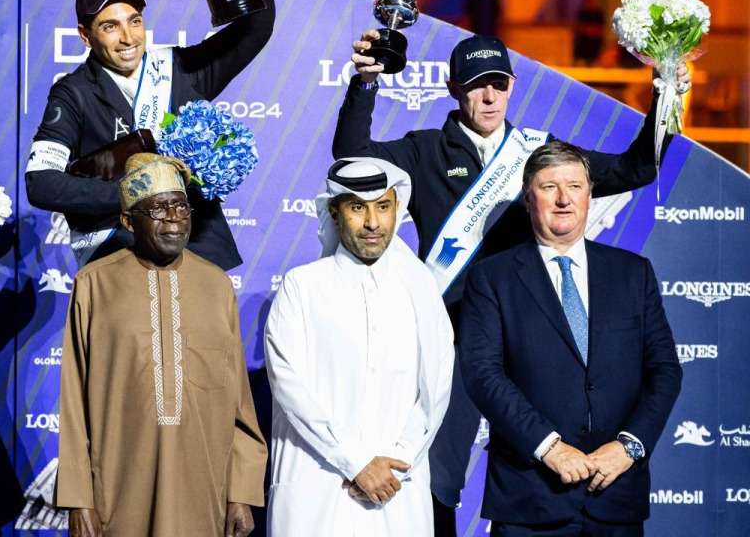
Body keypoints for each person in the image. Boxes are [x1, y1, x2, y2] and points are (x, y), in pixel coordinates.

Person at [332, 31, 690, 534]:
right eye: (477, 85)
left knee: (549, 462)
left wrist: (666, 96)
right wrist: (365, 83)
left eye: (498, 84)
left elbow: (639, 166)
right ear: (454, 87)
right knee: (439, 476)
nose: (489, 97)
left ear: (513, 86)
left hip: (536, 334)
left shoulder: (541, 156)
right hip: (456, 338)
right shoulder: (426, 149)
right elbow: (353, 161)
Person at [26, 0, 274, 272]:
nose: (128, 38)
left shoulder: (179, 67)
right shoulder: (72, 92)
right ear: (86, 35)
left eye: (135, 21)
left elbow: (255, 29)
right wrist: (140, 192)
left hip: (198, 255)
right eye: (110, 26)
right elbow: (42, 184)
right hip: (124, 258)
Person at [458, 141, 681, 535]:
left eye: (575, 186)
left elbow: (664, 370)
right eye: (549, 188)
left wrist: (628, 447)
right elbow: (482, 374)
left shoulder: (633, 273)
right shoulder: (491, 279)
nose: (564, 199)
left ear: (590, 196)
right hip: (529, 499)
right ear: (529, 200)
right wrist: (549, 447)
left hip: (615, 496)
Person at [55, 153, 267, 537]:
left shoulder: (216, 284)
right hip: (118, 492)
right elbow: (73, 402)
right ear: (127, 221)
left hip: (205, 490)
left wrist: (242, 492)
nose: (174, 219)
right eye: (158, 209)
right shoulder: (94, 284)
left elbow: (240, 404)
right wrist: (78, 498)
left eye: (181, 207)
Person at [265, 158, 454, 536]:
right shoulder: (301, 286)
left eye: (383, 207)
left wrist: (396, 460)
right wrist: (354, 463)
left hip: (398, 485)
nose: (372, 223)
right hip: (318, 485)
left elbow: (436, 389)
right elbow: (290, 387)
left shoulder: (421, 289)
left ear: (396, 210)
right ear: (334, 213)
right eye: (357, 208)